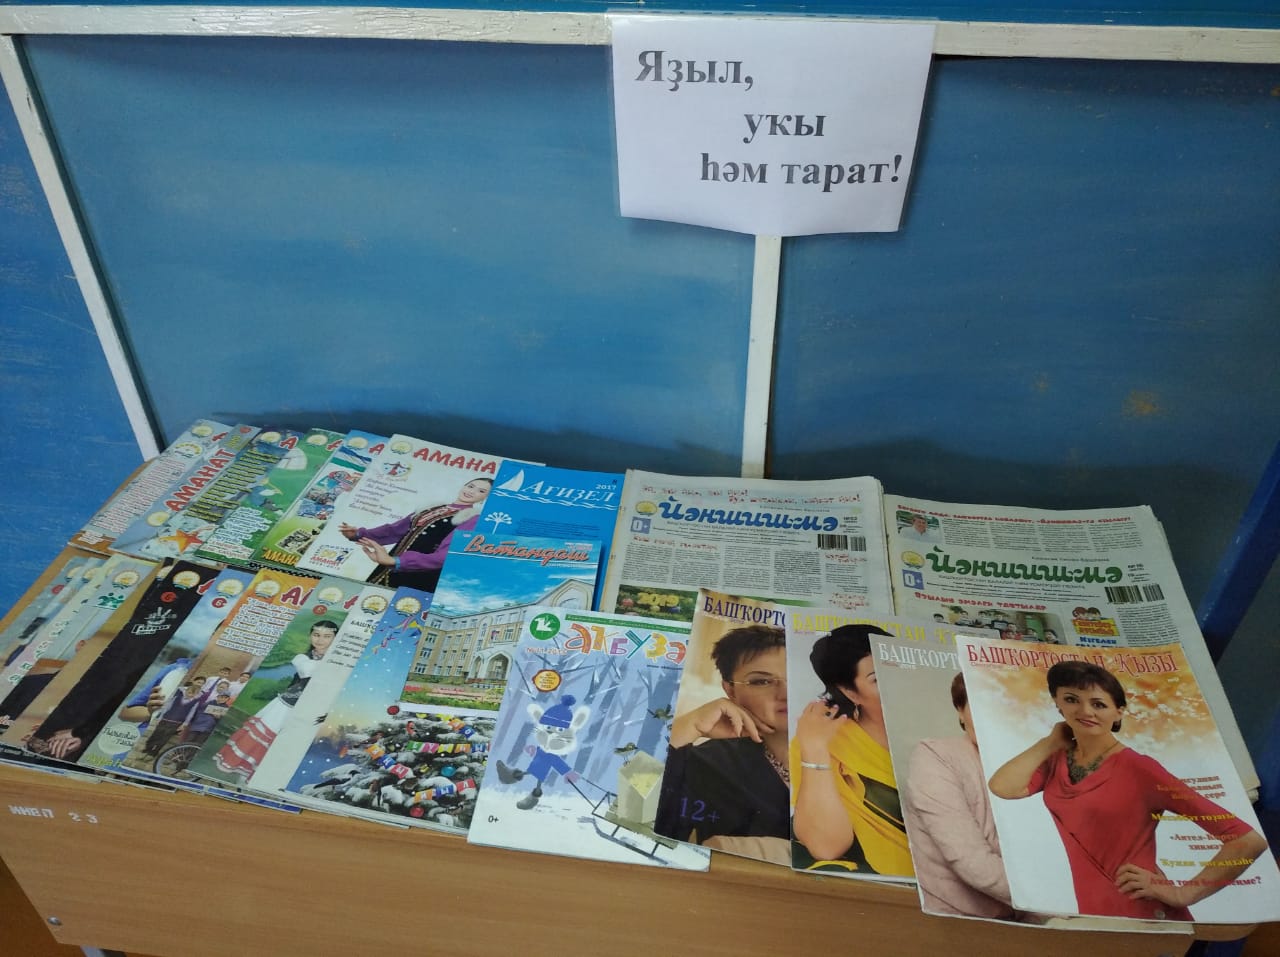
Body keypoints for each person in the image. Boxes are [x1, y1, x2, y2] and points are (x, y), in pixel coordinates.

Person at [988, 660, 1268, 920]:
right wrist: (1050, 742)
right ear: (1058, 704)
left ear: (1118, 712)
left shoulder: (1140, 769)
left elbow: (1247, 841)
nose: (1085, 711)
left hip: (1143, 913)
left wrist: (1183, 894)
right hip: (1095, 913)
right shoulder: (1057, 759)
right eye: (1072, 699)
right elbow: (1003, 787)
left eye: (1098, 704)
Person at [653, 625, 790, 864]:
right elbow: (638, 830)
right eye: (761, 681)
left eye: (799, 678)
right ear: (731, 691)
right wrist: (688, 726)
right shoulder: (707, 763)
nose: (786, 693)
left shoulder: (855, 750)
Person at [791, 624, 914, 876]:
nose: (899, 683)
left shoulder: (950, 717)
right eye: (878, 678)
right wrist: (815, 750)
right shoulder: (827, 741)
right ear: (850, 692)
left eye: (900, 667)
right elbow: (826, 847)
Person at [904, 673, 1014, 919]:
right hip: (954, 919)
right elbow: (974, 864)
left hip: (1027, 918)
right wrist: (1054, 899)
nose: (990, 717)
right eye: (978, 704)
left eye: (1001, 706)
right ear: (960, 711)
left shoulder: (1033, 763)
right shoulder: (936, 756)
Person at [212, 620, 339, 780]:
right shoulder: (302, 658)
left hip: (314, 711)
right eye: (316, 635)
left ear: (336, 638)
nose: (320, 640)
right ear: (310, 636)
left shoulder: (339, 661)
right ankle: (245, 778)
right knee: (263, 742)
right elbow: (307, 671)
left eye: (327, 636)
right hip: (286, 706)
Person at [339, 477, 492, 591]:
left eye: (481, 491)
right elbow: (396, 530)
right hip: (387, 567)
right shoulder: (433, 507)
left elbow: (445, 556)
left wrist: (397, 562)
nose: (471, 491)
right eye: (470, 486)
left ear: (486, 498)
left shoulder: (472, 519)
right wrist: (358, 534)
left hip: (418, 577)